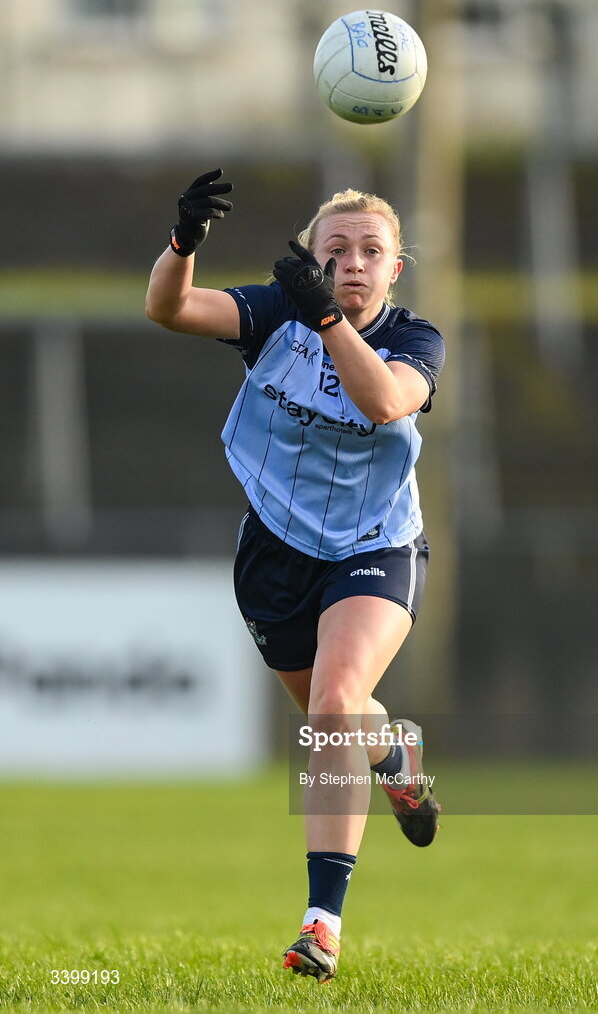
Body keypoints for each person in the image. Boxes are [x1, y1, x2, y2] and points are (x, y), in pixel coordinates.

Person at [145, 169, 445, 984]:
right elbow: (168, 308)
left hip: (375, 546)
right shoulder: (278, 313)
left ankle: (322, 924)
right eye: (335, 249)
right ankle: (394, 751)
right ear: (311, 258)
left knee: (334, 707)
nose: (352, 263)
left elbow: (383, 401)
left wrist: (323, 317)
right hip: (275, 552)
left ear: (395, 270)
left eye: (370, 252)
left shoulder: (416, 340)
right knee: (336, 721)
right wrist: (183, 245)